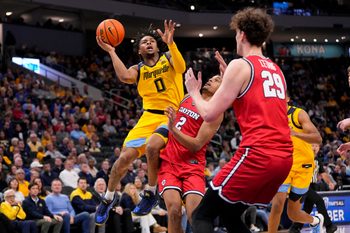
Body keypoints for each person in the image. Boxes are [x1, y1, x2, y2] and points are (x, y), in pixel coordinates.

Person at [184, 7, 293, 233]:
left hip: (258, 155)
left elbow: (208, 113)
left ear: (242, 34)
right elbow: (253, 104)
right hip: (283, 159)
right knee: (230, 215)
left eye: (235, 33)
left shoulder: (240, 64)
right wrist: (228, 84)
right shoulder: (276, 70)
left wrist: (194, 92)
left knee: (202, 214)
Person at [95, 19, 186, 224]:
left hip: (170, 115)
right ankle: (108, 198)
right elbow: (124, 77)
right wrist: (111, 51)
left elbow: (181, 68)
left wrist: (171, 43)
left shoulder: (169, 57)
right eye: (144, 42)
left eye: (152, 41)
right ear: (139, 50)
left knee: (153, 148)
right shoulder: (138, 69)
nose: (149, 43)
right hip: (147, 118)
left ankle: (150, 193)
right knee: (122, 161)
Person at [159, 73, 223, 233]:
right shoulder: (187, 97)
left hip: (192, 167)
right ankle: (151, 188)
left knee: (194, 216)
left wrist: (173, 129)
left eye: (216, 80)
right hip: (170, 163)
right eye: (211, 77)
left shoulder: (215, 113)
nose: (210, 80)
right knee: (173, 212)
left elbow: (196, 145)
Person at [268, 101, 323, 233]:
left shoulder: (298, 114)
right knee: (277, 205)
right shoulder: (270, 117)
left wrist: (295, 133)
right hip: (284, 164)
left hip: (303, 165)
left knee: (293, 213)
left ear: (286, 98)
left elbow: (318, 138)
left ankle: (315, 221)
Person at [289, 144, 338, 233]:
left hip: (313, 186)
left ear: (319, 148)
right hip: (304, 184)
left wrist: (330, 182)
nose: (315, 148)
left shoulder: (318, 160)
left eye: (316, 146)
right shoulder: (305, 157)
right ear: (309, 147)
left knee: (308, 208)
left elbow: (323, 174)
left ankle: (295, 228)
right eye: (313, 146)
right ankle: (329, 226)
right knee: (319, 201)